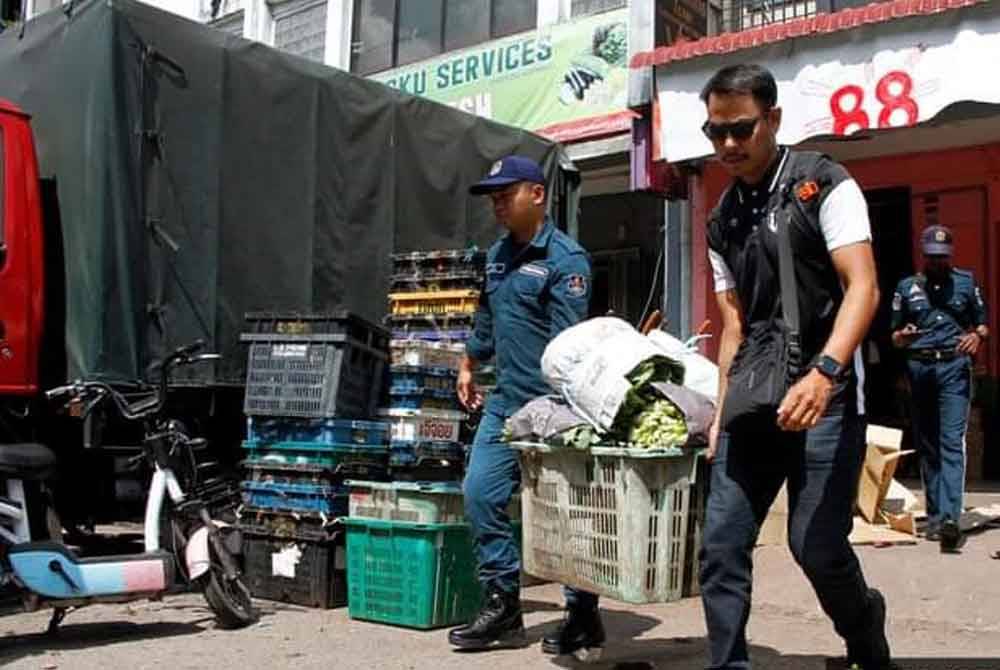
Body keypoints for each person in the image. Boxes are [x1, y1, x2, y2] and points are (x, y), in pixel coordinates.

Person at [700, 64, 892, 670]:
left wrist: (825, 372)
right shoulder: (720, 218)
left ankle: (864, 628)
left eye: (741, 128)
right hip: (754, 397)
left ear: (774, 119)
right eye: (715, 132)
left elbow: (863, 286)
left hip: (825, 396)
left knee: (815, 545)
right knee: (720, 545)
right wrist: (720, 411)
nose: (728, 143)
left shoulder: (824, 183)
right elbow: (734, 325)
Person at [447, 155, 604, 658]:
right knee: (480, 493)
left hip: (555, 407)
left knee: (564, 512)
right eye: (492, 196)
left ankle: (582, 614)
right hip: (505, 403)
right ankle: (503, 606)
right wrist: (469, 362)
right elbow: (487, 319)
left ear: (537, 194)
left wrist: (559, 408)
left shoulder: (566, 260)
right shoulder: (497, 256)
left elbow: (570, 344)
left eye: (505, 193)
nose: (496, 203)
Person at [890, 225, 988, 552]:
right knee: (928, 443)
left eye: (942, 257)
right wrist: (903, 336)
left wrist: (977, 336)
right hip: (919, 368)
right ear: (924, 255)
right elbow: (894, 336)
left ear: (950, 254)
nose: (938, 262)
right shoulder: (907, 287)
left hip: (953, 367)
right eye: (932, 257)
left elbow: (983, 324)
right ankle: (934, 518)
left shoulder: (966, 282)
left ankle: (949, 519)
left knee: (951, 441)